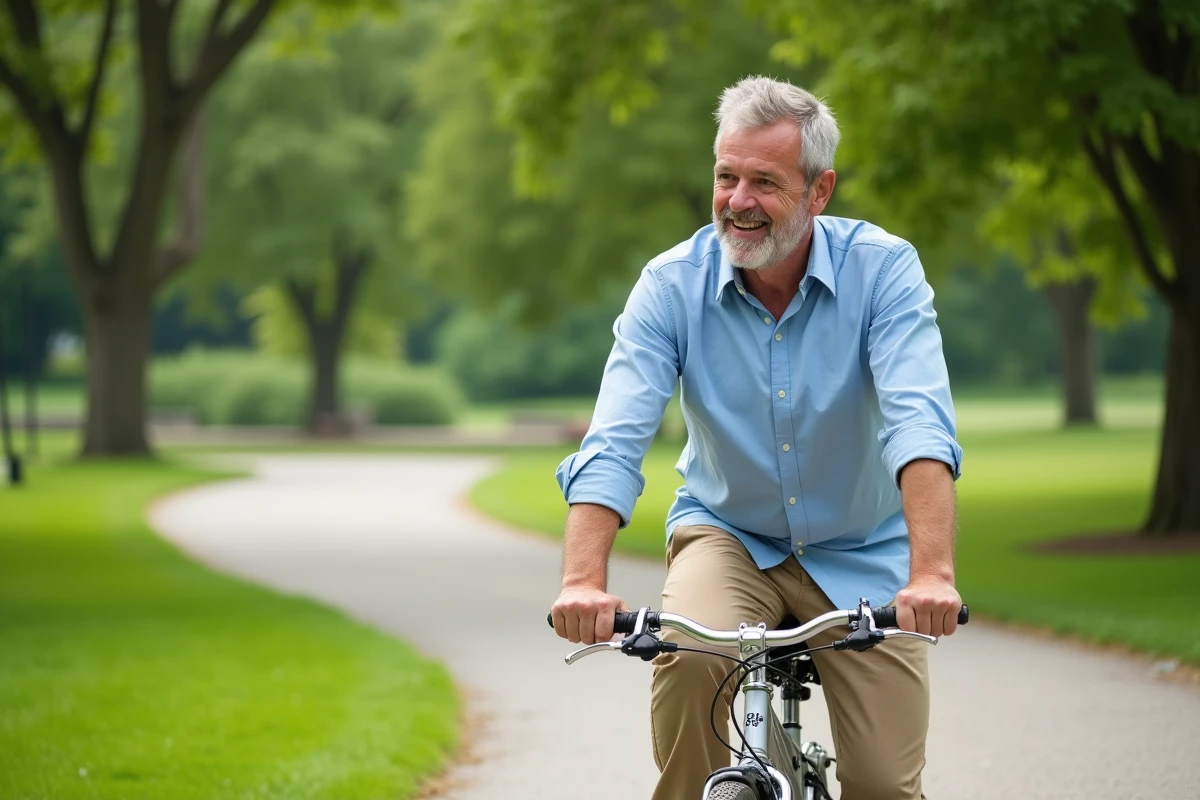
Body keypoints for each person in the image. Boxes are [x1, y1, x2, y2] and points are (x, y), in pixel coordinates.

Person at [548, 76, 963, 800]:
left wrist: (931, 575)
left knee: (883, 786)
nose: (737, 201)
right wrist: (582, 582)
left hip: (861, 547)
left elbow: (918, 421)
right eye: (726, 176)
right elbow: (614, 438)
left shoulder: (884, 271)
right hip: (729, 535)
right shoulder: (670, 285)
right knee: (688, 664)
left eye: (764, 182)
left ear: (819, 190)